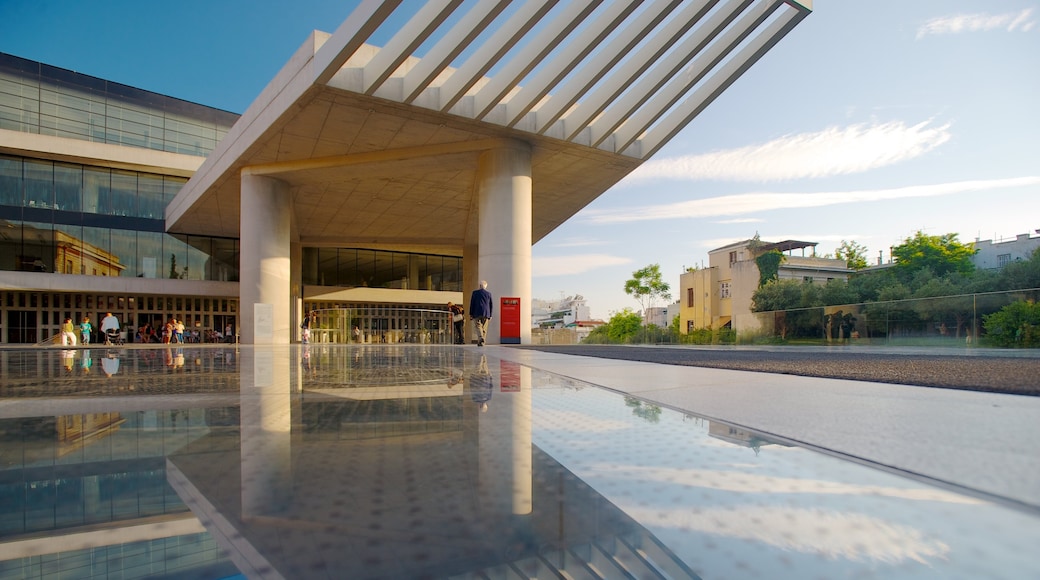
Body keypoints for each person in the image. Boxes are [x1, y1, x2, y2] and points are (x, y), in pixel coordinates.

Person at [469, 280, 493, 347]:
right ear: (485, 287)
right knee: (484, 328)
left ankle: (481, 337)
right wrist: (490, 315)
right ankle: (482, 342)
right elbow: (491, 305)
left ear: (479, 286)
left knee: (478, 326)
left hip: (476, 312)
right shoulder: (489, 294)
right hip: (486, 313)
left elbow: (472, 304)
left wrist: (471, 314)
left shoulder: (475, 293)